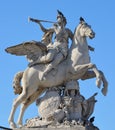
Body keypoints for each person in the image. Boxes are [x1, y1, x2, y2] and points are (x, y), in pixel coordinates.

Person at [29, 10, 74, 80]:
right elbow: (45, 30)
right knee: (48, 58)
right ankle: (35, 62)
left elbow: (75, 40)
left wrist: (87, 47)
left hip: (64, 50)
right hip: (55, 47)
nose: (58, 19)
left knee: (56, 61)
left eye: (59, 18)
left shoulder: (68, 31)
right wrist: (39, 23)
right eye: (57, 18)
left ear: (63, 20)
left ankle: (45, 73)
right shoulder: (55, 28)